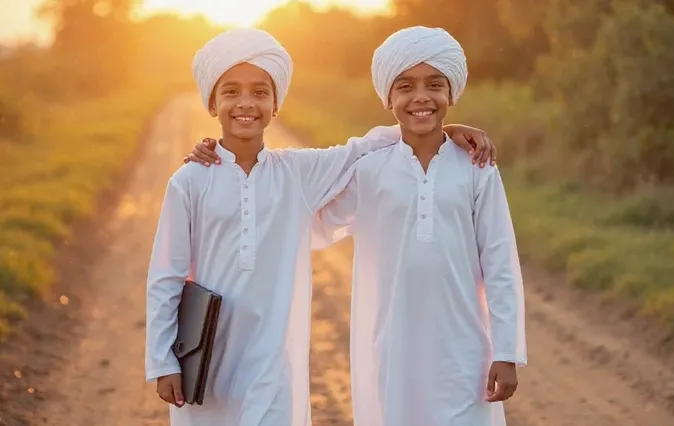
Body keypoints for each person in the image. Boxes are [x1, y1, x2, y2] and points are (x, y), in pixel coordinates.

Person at [146, 27, 494, 426]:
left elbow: (367, 146)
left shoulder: (296, 173)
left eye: (260, 92)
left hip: (271, 365)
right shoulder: (189, 181)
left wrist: (447, 132)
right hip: (206, 360)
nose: (246, 103)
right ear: (211, 103)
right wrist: (162, 359)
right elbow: (166, 276)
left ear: (276, 104)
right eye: (231, 92)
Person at [310, 26, 527, 426]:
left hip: (466, 350)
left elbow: (499, 262)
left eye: (434, 85)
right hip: (394, 348)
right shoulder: (369, 170)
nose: (421, 97)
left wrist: (507, 351)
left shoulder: (476, 167)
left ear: (452, 94)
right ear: (388, 97)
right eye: (405, 86)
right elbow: (310, 221)